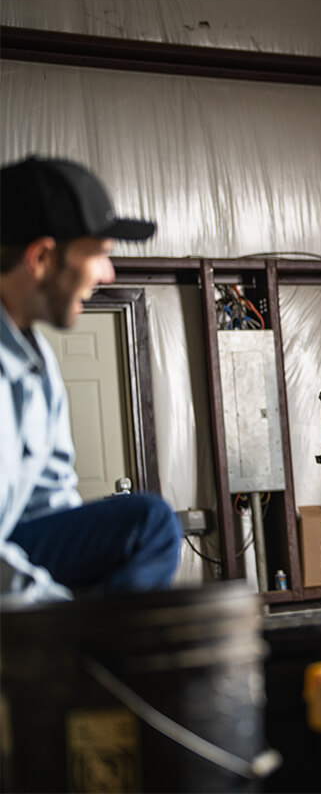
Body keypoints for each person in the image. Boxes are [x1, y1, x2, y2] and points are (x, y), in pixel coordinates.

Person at [1, 155, 182, 605]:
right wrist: (62, 615)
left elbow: (49, 509)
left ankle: (106, 640)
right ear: (41, 258)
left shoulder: (37, 366)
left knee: (147, 526)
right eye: (98, 254)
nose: (108, 274)